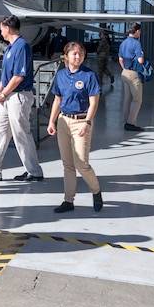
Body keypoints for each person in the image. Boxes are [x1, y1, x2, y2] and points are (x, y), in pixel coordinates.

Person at [0, 15, 44, 182]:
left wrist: (4, 93)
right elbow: (5, 76)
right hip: (7, 97)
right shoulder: (9, 48)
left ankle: (34, 172)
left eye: (1, 29)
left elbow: (18, 76)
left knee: (21, 134)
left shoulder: (22, 47)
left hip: (18, 96)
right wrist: (0, 92)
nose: (0, 32)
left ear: (8, 28)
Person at [47, 42, 103, 214]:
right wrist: (52, 121)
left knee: (81, 164)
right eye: (74, 54)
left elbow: (94, 102)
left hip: (81, 122)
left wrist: (87, 122)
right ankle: (68, 200)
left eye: (81, 54)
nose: (78, 57)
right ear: (66, 56)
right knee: (68, 164)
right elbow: (58, 99)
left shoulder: (89, 76)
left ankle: (96, 191)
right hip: (64, 121)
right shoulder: (61, 75)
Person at [118, 23, 145, 131]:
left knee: (127, 99)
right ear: (137, 31)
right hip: (133, 73)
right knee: (137, 99)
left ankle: (126, 120)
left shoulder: (123, 43)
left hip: (125, 72)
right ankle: (131, 122)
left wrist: (124, 68)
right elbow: (140, 60)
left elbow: (120, 59)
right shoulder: (136, 43)